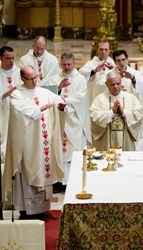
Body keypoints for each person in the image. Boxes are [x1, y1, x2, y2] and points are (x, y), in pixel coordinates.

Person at [3, 66, 66, 219]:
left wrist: (60, 105)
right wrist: (39, 109)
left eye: (35, 77)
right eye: (30, 79)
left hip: (43, 142)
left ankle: (42, 208)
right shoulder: (17, 95)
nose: (34, 81)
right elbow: (22, 111)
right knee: (27, 174)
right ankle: (27, 210)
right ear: (22, 79)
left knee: (44, 171)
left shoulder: (43, 91)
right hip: (27, 145)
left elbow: (56, 98)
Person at [49, 52, 92, 193]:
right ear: (61, 65)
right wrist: (58, 89)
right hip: (58, 120)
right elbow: (47, 94)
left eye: (69, 64)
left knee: (72, 151)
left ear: (74, 64)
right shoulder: (54, 78)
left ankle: (72, 181)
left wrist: (64, 101)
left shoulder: (80, 79)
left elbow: (80, 98)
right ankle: (58, 181)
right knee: (58, 150)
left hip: (74, 121)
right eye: (64, 65)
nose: (67, 67)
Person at [90, 72, 143, 151]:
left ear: (121, 82)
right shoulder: (100, 99)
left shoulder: (131, 98)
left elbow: (139, 114)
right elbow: (93, 116)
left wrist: (124, 112)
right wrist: (111, 113)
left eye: (118, 83)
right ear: (106, 84)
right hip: (106, 143)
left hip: (126, 142)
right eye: (112, 84)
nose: (116, 87)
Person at [79, 40, 115, 105]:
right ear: (97, 50)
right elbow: (80, 74)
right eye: (101, 49)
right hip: (95, 96)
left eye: (106, 49)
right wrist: (94, 71)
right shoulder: (91, 64)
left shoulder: (113, 64)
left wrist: (114, 69)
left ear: (109, 51)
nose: (103, 52)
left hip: (110, 98)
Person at [0, 46, 19, 160]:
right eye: (8, 58)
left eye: (13, 58)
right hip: (2, 113)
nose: (12, 61)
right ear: (1, 58)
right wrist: (5, 95)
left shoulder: (20, 72)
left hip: (17, 112)